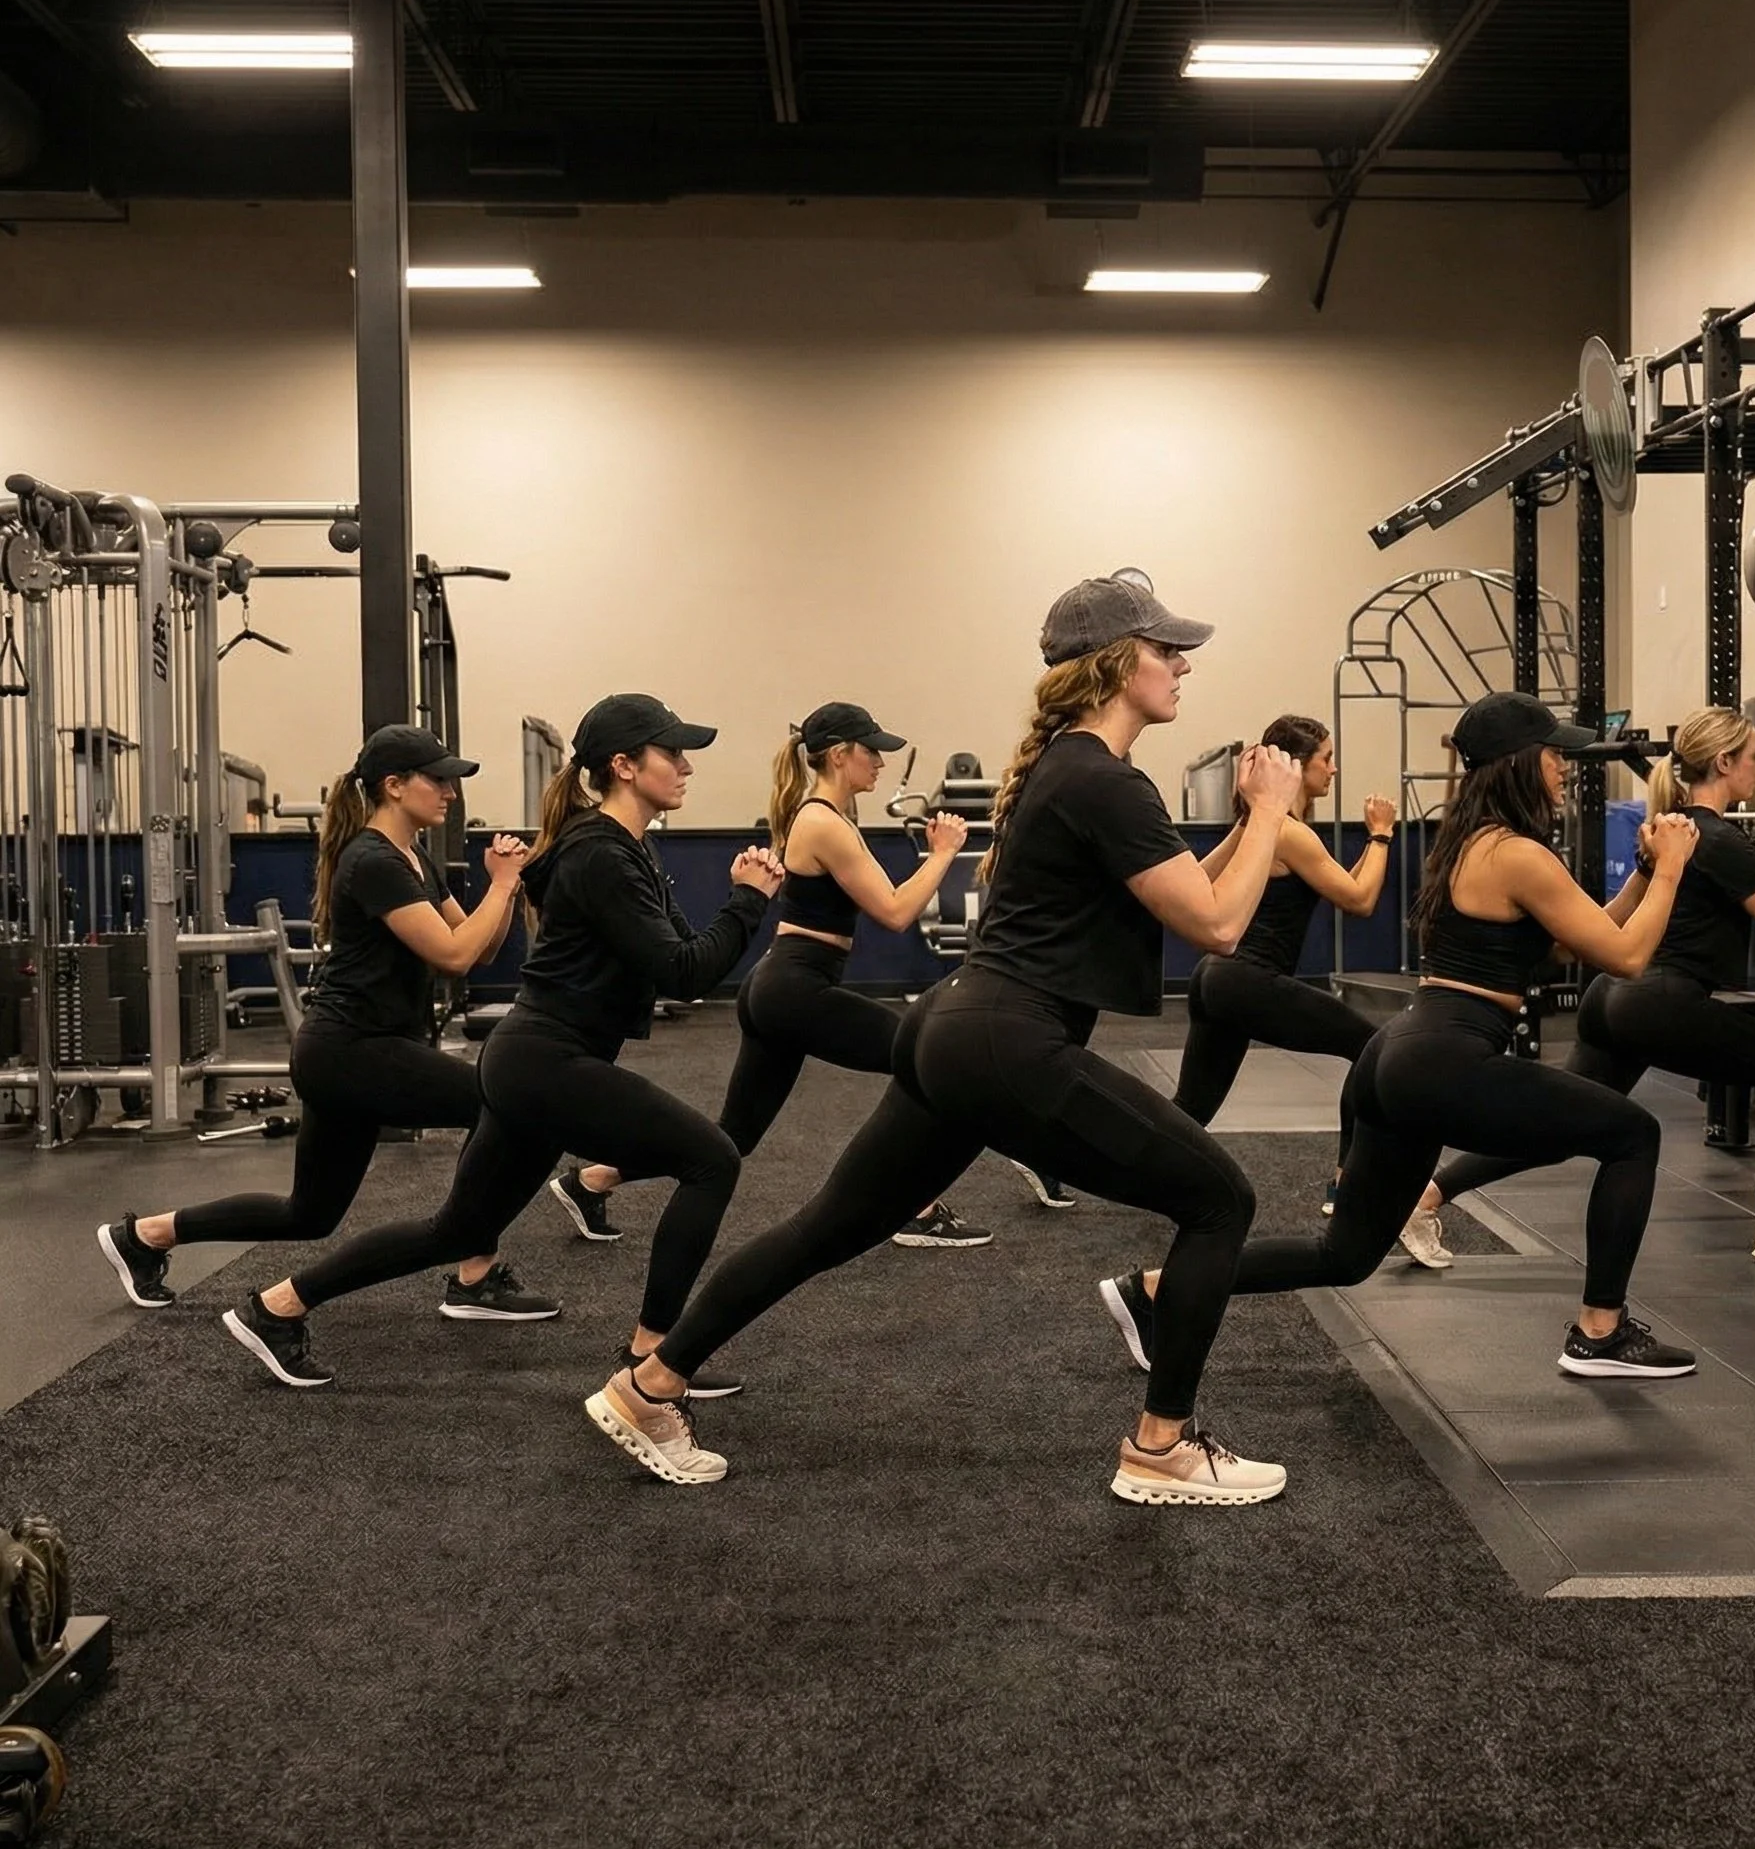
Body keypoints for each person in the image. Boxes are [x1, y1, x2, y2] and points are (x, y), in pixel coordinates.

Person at [586, 573, 1304, 1503]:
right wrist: (1274, 814)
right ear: (1119, 664)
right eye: (1168, 650)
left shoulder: (1069, 770)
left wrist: (1252, 825)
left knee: (829, 1227)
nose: (1183, 664)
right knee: (1220, 1203)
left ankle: (650, 1384)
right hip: (1006, 1038)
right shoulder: (1103, 777)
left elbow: (1178, 891)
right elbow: (1216, 926)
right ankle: (1162, 1448)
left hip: (957, 1031)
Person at [1099, 692, 1702, 1383]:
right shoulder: (1518, 854)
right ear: (1520, 764)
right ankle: (1600, 1330)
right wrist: (1675, 868)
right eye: (1554, 755)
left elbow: (1584, 939)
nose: (1564, 768)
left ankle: (1153, 1289)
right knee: (1633, 1135)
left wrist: (1650, 876)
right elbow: (1626, 958)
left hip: (1403, 1058)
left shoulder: (1471, 842)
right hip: (1447, 1059)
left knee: (1344, 1257)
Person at [217, 694, 780, 1396]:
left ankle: (277, 1307)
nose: (687, 767)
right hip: (547, 1063)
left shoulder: (623, 846)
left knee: (457, 1229)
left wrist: (733, 910)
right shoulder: (600, 852)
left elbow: (675, 951)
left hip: (533, 1062)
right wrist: (749, 900)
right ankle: (653, 1360)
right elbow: (686, 972)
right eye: (673, 754)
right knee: (711, 1159)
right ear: (625, 766)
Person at [96, 725, 554, 1324]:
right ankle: (475, 1272)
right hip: (352, 1051)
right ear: (394, 786)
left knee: (308, 1215)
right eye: (437, 779)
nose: (450, 792)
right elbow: (454, 955)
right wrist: (498, 883)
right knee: (500, 1105)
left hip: (353, 1051)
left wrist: (508, 884)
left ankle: (145, 1236)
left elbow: (480, 947)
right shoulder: (372, 860)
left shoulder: (413, 857)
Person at [1412, 705, 1755, 1267]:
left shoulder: (1673, 831)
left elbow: (1602, 933)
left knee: (1557, 1127)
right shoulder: (1717, 838)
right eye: (1753, 759)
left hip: (1612, 1001)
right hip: (1661, 1000)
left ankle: (1427, 1197)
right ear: (1724, 763)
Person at [710, 701, 990, 1248]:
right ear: (840, 755)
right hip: (794, 986)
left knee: (734, 1137)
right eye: (872, 752)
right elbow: (894, 911)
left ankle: (593, 1180)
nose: (881, 763)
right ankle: (916, 1207)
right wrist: (943, 853)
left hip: (781, 984)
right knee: (920, 1058)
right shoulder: (822, 821)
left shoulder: (825, 816)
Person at [1171, 712, 1395, 1216]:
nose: (1333, 770)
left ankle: (1068, 1159)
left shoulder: (1262, 826)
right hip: (1249, 980)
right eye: (1327, 759)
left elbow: (1340, 886)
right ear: (1298, 766)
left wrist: (1369, 848)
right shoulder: (1291, 833)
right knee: (1372, 1048)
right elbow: (1360, 901)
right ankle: (1346, 1184)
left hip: (1216, 979)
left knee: (1190, 1111)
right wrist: (1380, 836)